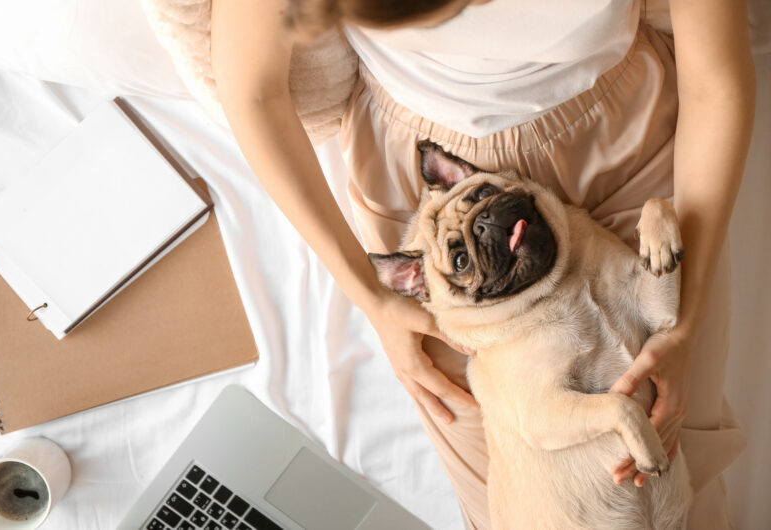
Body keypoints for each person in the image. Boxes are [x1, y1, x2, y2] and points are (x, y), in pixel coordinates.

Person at [210, 0, 755, 527]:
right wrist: (372, 298)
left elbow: (717, 85)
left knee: (688, 472)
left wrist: (683, 329)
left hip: (622, 134)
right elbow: (251, 89)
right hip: (430, 179)